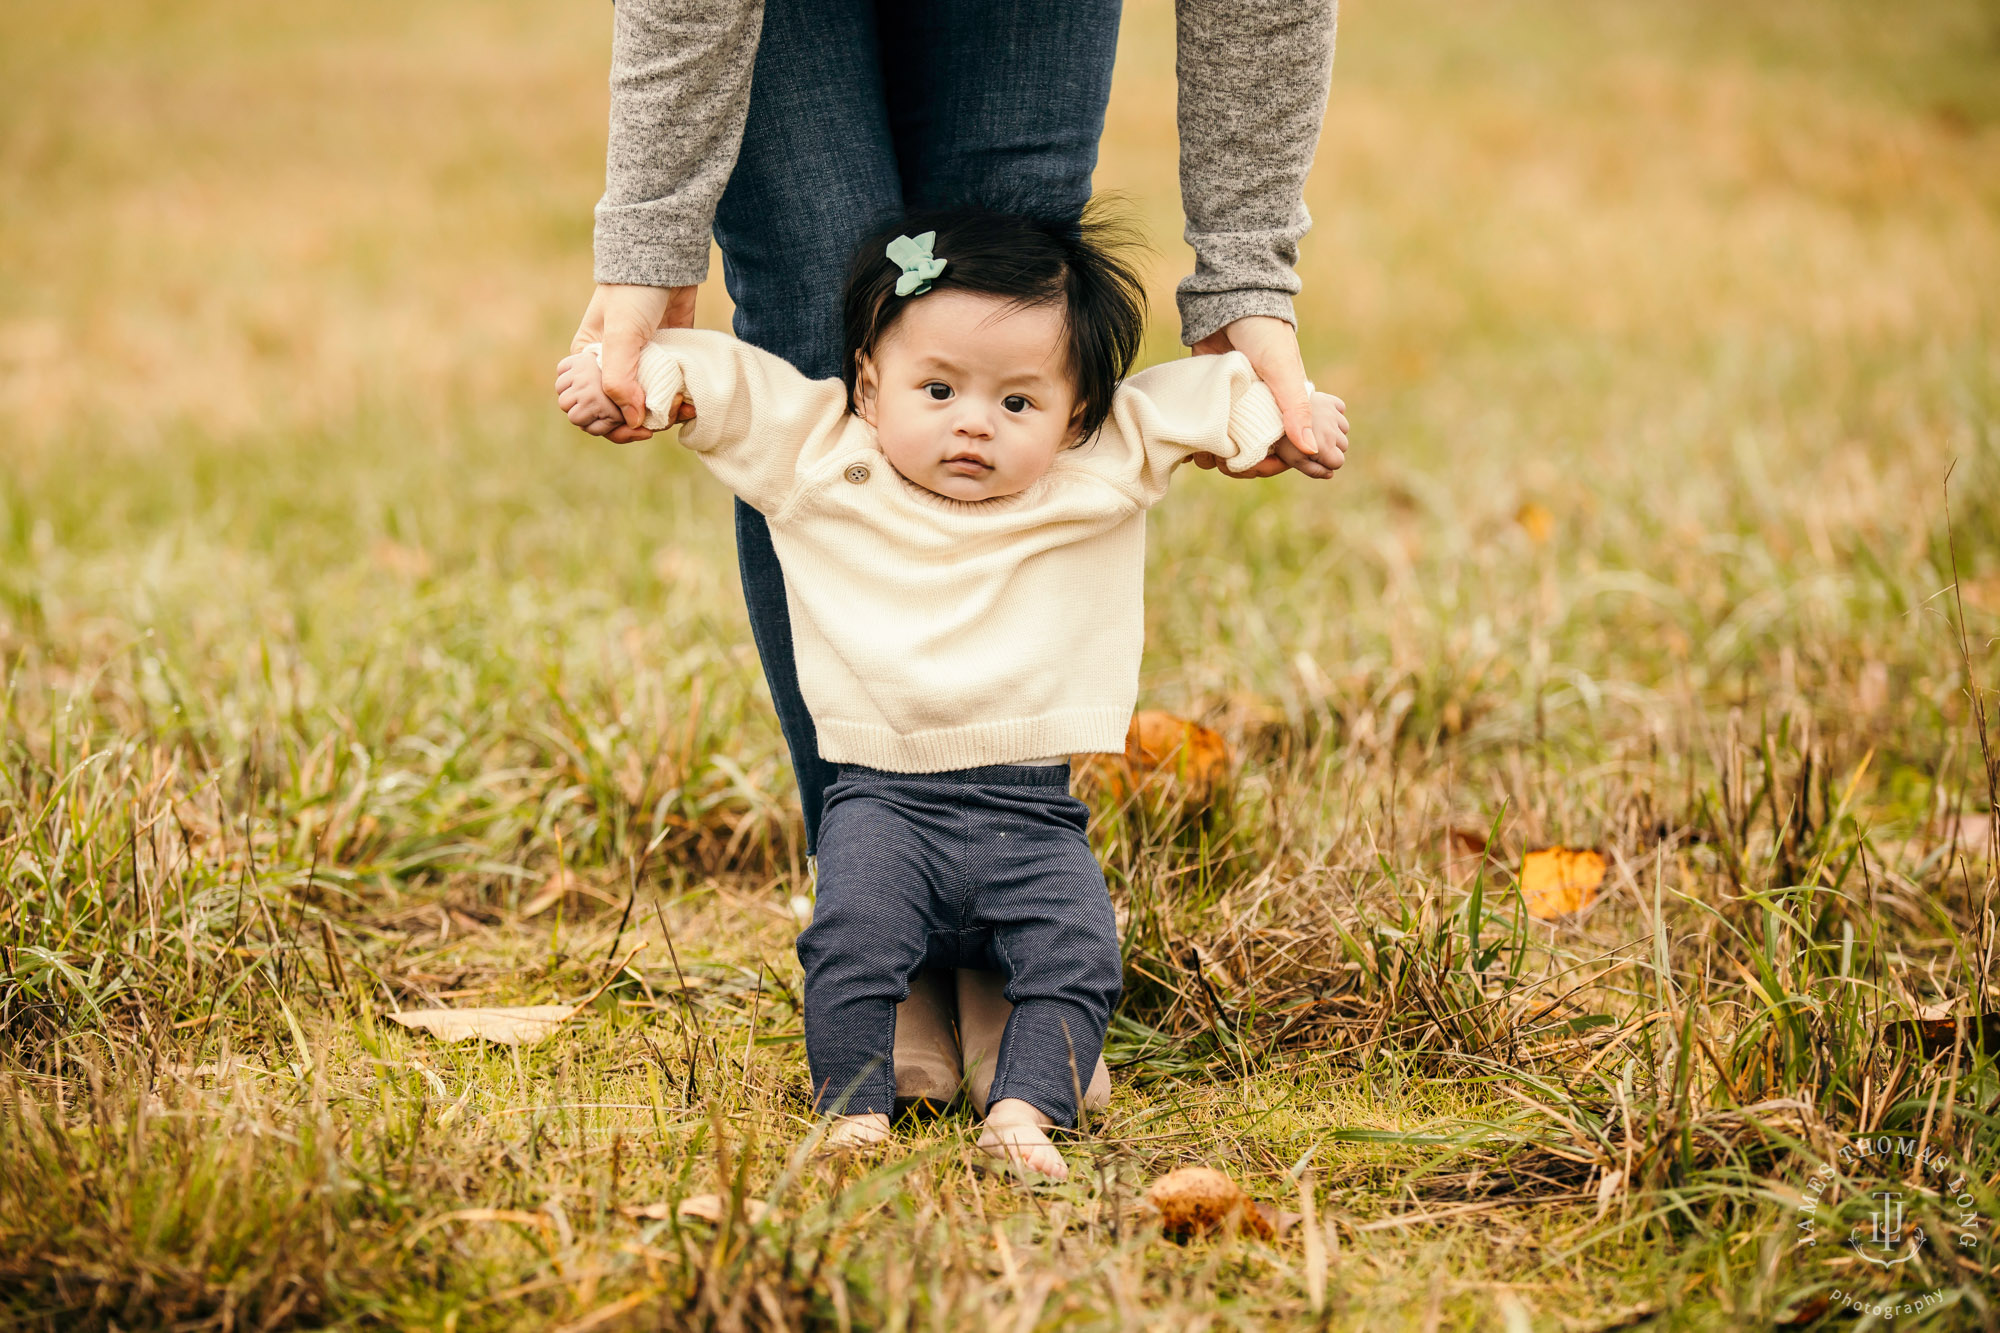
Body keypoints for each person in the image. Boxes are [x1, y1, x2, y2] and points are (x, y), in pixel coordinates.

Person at [558, 207, 1349, 1177]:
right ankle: (853, 1110)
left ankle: (1023, 1110)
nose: (973, 420)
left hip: (1032, 815)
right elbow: (734, 389)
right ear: (867, 384)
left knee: (1080, 957)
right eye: (937, 388)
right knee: (848, 944)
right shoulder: (828, 457)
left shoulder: (1090, 469)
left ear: (1072, 417)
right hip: (882, 805)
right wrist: (652, 377)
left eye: (1018, 402)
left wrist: (1275, 414)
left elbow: (1200, 396)